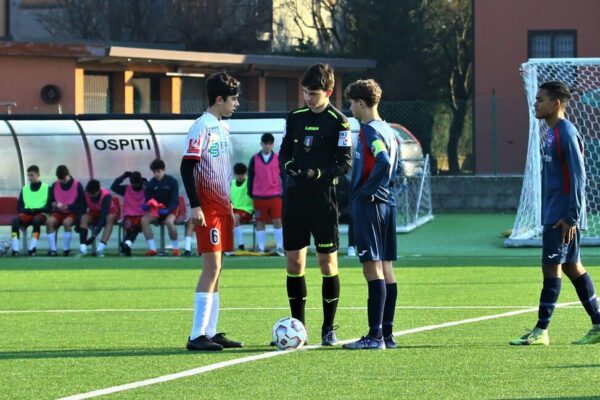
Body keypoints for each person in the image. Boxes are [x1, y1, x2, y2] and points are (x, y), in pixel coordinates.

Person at [510, 81, 600, 346]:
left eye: (540, 100)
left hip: (562, 217)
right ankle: (598, 323)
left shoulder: (565, 133)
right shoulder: (550, 133)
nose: (535, 104)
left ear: (555, 104)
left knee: (551, 268)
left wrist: (571, 216)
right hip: (556, 213)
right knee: (572, 266)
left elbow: (578, 177)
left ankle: (541, 331)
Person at [279, 63, 352, 345]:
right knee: (294, 263)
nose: (308, 98)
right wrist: (289, 166)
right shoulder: (295, 117)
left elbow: (344, 163)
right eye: (305, 93)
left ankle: (328, 328)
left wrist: (317, 173)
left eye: (314, 93)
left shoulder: (339, 121)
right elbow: (285, 149)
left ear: (329, 91)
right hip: (295, 198)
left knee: (326, 263)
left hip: (323, 200)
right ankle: (299, 328)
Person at [180, 72, 244, 351]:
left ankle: (211, 331)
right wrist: (196, 206)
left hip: (220, 207)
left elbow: (220, 169)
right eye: (233, 99)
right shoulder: (201, 127)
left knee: (218, 269)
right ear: (219, 99)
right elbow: (187, 167)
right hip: (206, 208)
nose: (237, 104)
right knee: (212, 267)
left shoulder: (222, 127)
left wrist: (228, 204)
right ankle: (196, 335)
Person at [341, 79, 399, 350]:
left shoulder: (368, 131)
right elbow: (393, 166)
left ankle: (374, 336)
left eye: (351, 103)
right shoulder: (389, 129)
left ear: (361, 103)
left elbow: (383, 162)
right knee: (387, 268)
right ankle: (386, 334)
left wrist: (365, 192)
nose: (350, 108)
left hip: (371, 205)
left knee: (371, 267)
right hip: (388, 204)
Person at [247, 133, 284, 255]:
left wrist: (284, 192)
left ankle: (279, 247)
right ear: (261, 144)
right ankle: (261, 248)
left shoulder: (279, 158)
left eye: (270, 144)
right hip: (259, 196)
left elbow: (283, 176)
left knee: (277, 221)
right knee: (260, 222)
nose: (267, 146)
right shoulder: (254, 158)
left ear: (272, 145)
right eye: (265, 144)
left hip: (275, 195)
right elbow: (251, 176)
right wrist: (250, 191)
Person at [141, 159, 180, 257]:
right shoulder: (150, 184)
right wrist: (147, 205)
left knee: (169, 222)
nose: (156, 174)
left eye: (158, 171)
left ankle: (175, 249)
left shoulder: (172, 181)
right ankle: (152, 249)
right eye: (154, 172)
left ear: (163, 170)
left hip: (171, 209)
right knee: (144, 220)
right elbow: (148, 200)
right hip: (157, 210)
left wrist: (167, 210)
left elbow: (175, 201)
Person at [10, 165, 51, 256]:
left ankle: (32, 247)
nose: (29, 178)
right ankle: (15, 249)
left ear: (38, 174)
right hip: (28, 213)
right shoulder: (24, 189)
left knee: (36, 220)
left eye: (31, 175)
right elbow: (20, 206)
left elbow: (49, 206)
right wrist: (26, 210)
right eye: (28, 175)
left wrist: (38, 210)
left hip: (41, 213)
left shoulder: (47, 187)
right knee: (15, 221)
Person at [46, 165, 85, 256]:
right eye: (60, 179)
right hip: (58, 211)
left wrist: (68, 207)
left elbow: (81, 203)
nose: (62, 181)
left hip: (72, 212)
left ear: (68, 174)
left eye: (63, 178)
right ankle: (53, 249)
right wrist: (53, 204)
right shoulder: (55, 185)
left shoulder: (77, 185)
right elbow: (50, 200)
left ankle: (66, 249)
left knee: (66, 223)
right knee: (49, 222)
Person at [79, 179, 119, 257]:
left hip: (108, 213)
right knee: (84, 217)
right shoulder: (86, 194)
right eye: (89, 193)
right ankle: (83, 247)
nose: (90, 195)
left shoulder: (106, 196)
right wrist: (79, 225)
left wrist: (94, 235)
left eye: (92, 194)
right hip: (94, 212)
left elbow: (103, 217)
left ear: (98, 191)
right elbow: (82, 210)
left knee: (110, 218)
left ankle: (100, 248)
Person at [111, 171, 146, 256]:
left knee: (132, 229)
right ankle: (127, 245)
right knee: (133, 229)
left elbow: (114, 186)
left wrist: (123, 177)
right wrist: (145, 181)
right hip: (134, 215)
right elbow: (113, 187)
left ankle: (125, 245)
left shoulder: (127, 189)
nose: (135, 186)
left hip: (135, 215)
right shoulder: (144, 188)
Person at [231, 163, 254, 252]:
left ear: (246, 173)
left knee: (235, 217)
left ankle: (241, 246)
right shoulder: (231, 183)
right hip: (233, 210)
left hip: (247, 210)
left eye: (243, 174)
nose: (241, 176)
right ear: (235, 174)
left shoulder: (249, 182)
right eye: (238, 174)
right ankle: (227, 246)